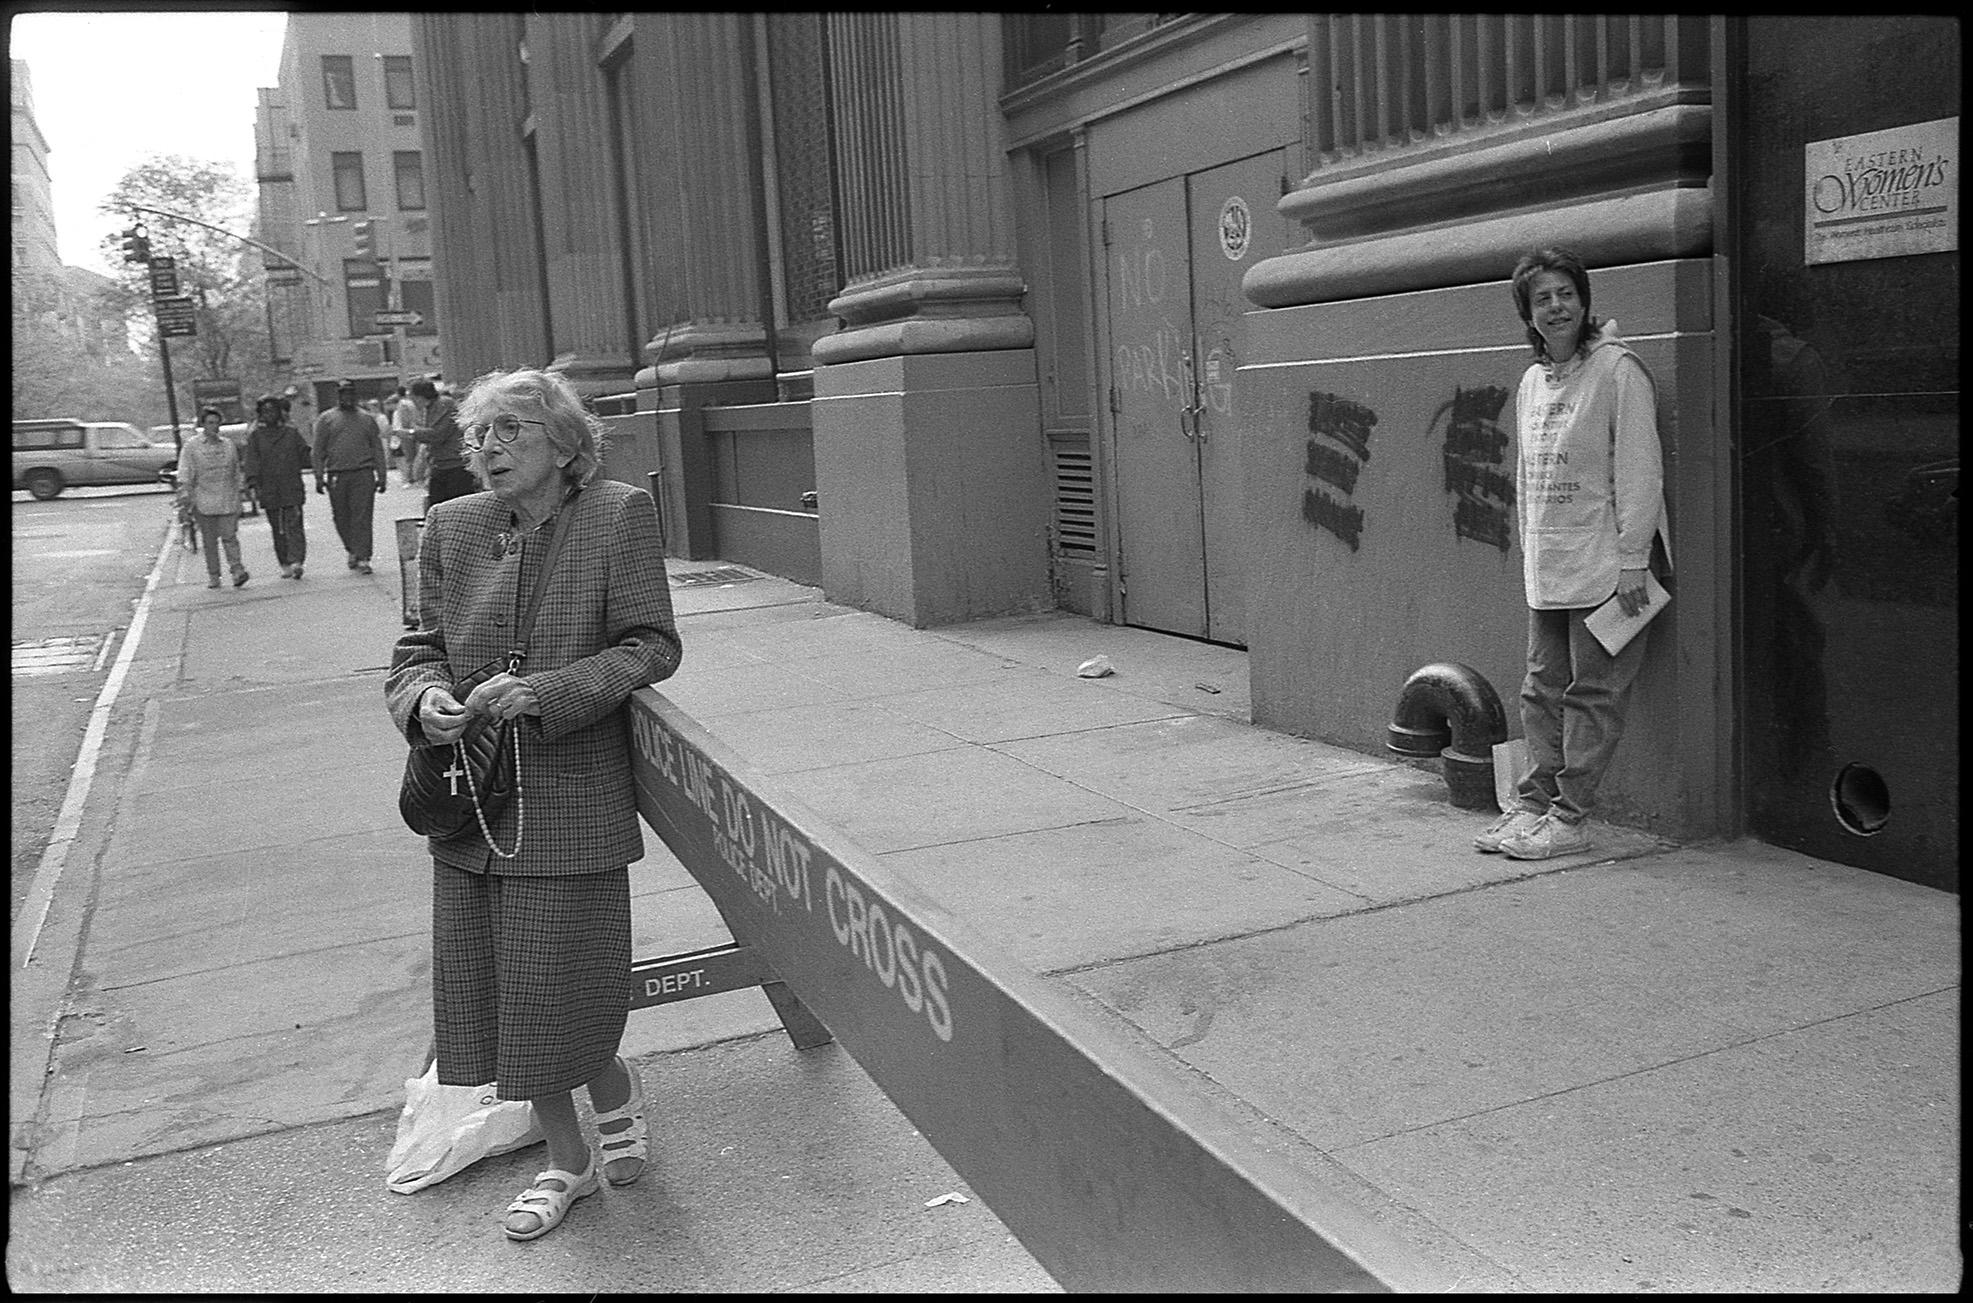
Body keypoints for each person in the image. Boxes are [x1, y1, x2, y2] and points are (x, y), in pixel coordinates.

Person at [383, 367, 682, 1242]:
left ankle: (602, 1110)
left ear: (564, 441)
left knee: (560, 983)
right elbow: (418, 645)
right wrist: (424, 697)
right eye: (480, 435)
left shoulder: (618, 513)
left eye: (511, 429)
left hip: (570, 791)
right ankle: (571, 1159)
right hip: (469, 798)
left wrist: (550, 691)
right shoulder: (453, 524)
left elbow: (650, 644)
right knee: (504, 994)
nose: (489, 449)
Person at [1474, 246, 1672, 861]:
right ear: (1528, 316)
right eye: (1542, 299)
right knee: (1541, 688)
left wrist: (1635, 559)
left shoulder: (1617, 372)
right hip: (1550, 564)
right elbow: (1527, 480)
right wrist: (1532, 558)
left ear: (1584, 301)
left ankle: (1570, 817)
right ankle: (1531, 806)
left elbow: (1640, 468)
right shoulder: (1533, 381)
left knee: (1594, 694)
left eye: (1565, 293)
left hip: (1610, 565)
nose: (1555, 306)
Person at [312, 379, 390, 574]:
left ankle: (363, 556)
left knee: (362, 516)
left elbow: (377, 448)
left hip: (362, 473)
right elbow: (318, 449)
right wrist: (319, 475)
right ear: (338, 396)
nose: (347, 397)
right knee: (341, 516)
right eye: (342, 394)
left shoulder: (366, 419)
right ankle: (352, 548)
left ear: (355, 395)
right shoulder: (326, 419)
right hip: (337, 474)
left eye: (350, 393)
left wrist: (381, 475)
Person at [175, 407, 250, 590]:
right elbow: (185, 471)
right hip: (204, 499)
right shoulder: (192, 446)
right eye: (210, 423)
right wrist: (185, 494)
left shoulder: (227, 445)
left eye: (217, 423)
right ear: (202, 424)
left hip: (227, 497)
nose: (214, 427)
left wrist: (240, 493)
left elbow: (235, 471)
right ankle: (214, 575)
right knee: (209, 541)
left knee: (230, 536)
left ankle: (237, 570)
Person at [243, 394, 312, 579]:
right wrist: (252, 481)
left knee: (294, 524)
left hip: (291, 486)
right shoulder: (256, 437)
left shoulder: (291, 433)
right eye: (265, 411)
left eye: (273, 410)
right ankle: (285, 562)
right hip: (269, 488)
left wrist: (315, 460)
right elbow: (251, 460)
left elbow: (305, 455)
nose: (269, 414)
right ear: (261, 414)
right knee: (278, 528)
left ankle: (297, 560)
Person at [410, 376, 475, 511]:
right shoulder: (429, 409)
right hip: (439, 464)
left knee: (458, 507)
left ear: (420, 396)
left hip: (455, 464)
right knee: (437, 507)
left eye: (413, 397)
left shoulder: (444, 404)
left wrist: (412, 433)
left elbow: (438, 434)